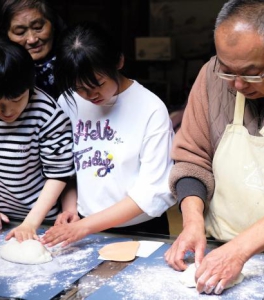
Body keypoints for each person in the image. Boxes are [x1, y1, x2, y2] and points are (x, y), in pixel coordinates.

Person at [164, 0, 264, 295]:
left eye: (251, 73)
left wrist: (239, 251)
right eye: (227, 71)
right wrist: (191, 221)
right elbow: (192, 158)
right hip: (219, 246)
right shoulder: (211, 76)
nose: (237, 85)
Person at [40, 22, 175, 247]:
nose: (90, 95)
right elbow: (67, 167)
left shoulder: (150, 108)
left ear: (119, 62)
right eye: (80, 88)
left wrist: (85, 226)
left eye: (98, 84)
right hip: (83, 229)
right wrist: (70, 208)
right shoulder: (68, 102)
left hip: (140, 230)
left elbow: (152, 192)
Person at [0, 36, 75, 241]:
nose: (7, 112)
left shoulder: (47, 114)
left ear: (30, 86)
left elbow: (58, 174)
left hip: (41, 220)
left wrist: (31, 222)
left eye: (16, 100)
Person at [0, 0, 65, 99]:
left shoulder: (75, 61)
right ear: (7, 35)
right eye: (20, 32)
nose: (32, 39)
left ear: (52, 24)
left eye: (38, 27)